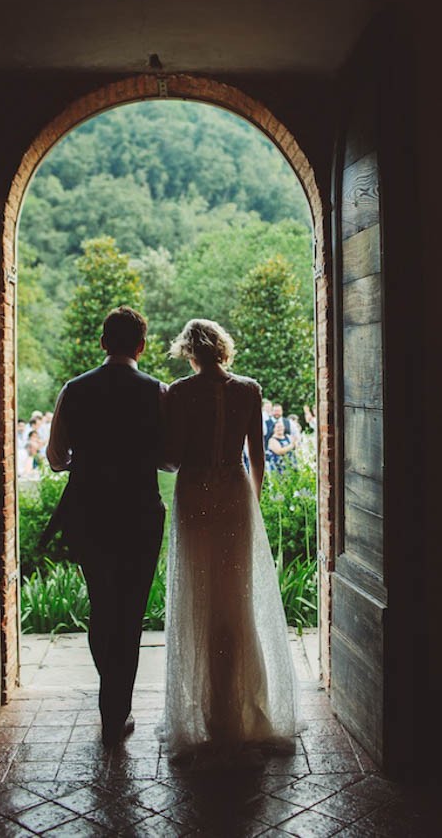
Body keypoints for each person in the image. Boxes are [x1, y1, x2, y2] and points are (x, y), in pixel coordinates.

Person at [161, 318, 298, 766]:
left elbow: (174, 457)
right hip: (235, 493)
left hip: (195, 491)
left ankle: (209, 714)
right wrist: (249, 503)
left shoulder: (179, 393)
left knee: (200, 599)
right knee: (235, 601)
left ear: (190, 352)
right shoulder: (249, 389)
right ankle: (243, 708)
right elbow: (256, 456)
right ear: (222, 348)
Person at [46, 305, 167, 746]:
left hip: (89, 512)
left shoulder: (73, 390)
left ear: (102, 343)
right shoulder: (157, 391)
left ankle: (111, 701)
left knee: (102, 603)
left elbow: (56, 458)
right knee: (130, 611)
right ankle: (116, 709)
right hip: (139, 513)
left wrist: (84, 460)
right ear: (141, 345)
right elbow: (169, 457)